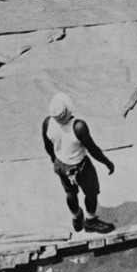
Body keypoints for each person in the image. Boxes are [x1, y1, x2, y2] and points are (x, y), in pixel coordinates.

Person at [41, 92, 116, 234]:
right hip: (81, 166)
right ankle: (91, 221)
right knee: (91, 193)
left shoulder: (47, 123)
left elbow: (48, 147)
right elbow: (93, 150)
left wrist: (56, 161)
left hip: (61, 165)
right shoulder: (78, 127)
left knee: (70, 193)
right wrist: (107, 163)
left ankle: (76, 218)